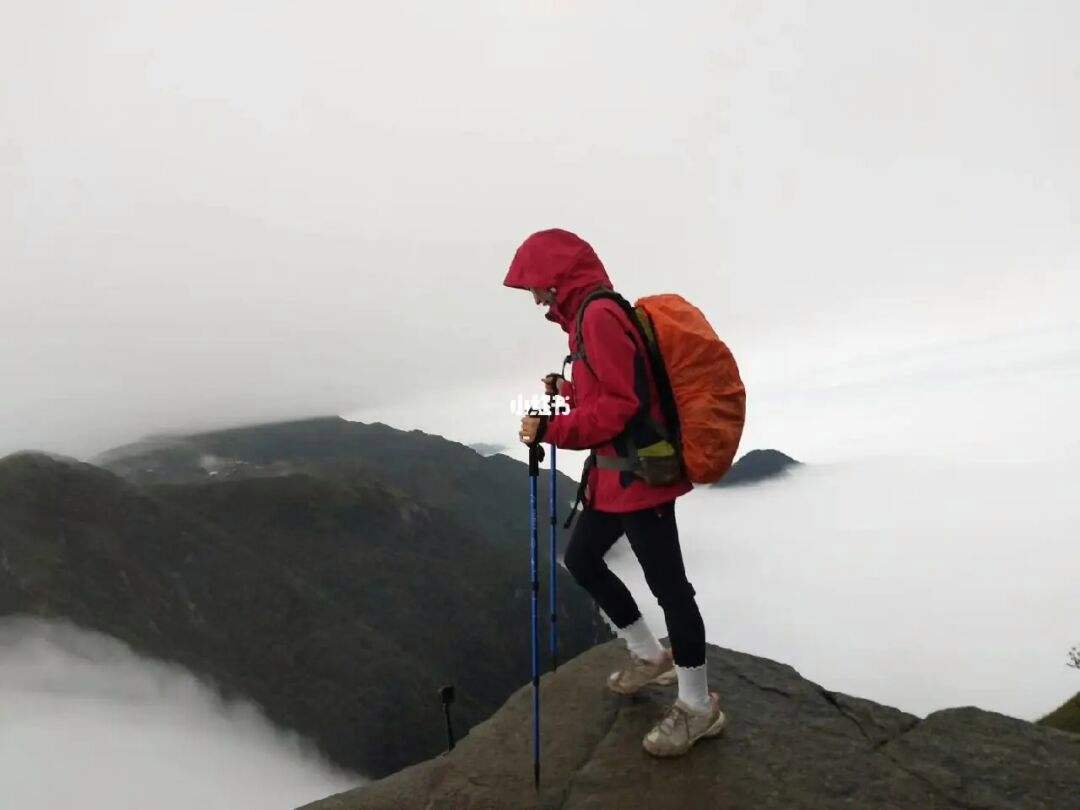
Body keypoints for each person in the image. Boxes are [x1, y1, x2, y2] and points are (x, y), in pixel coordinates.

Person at [504, 228, 726, 757]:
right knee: (581, 558)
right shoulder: (584, 323)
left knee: (671, 589)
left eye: (537, 286)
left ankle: (699, 707)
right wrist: (566, 395)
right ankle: (650, 657)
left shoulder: (598, 317)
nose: (535, 298)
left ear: (559, 279)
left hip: (641, 481)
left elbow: (621, 407)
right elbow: (604, 394)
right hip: (614, 479)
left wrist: (551, 429)